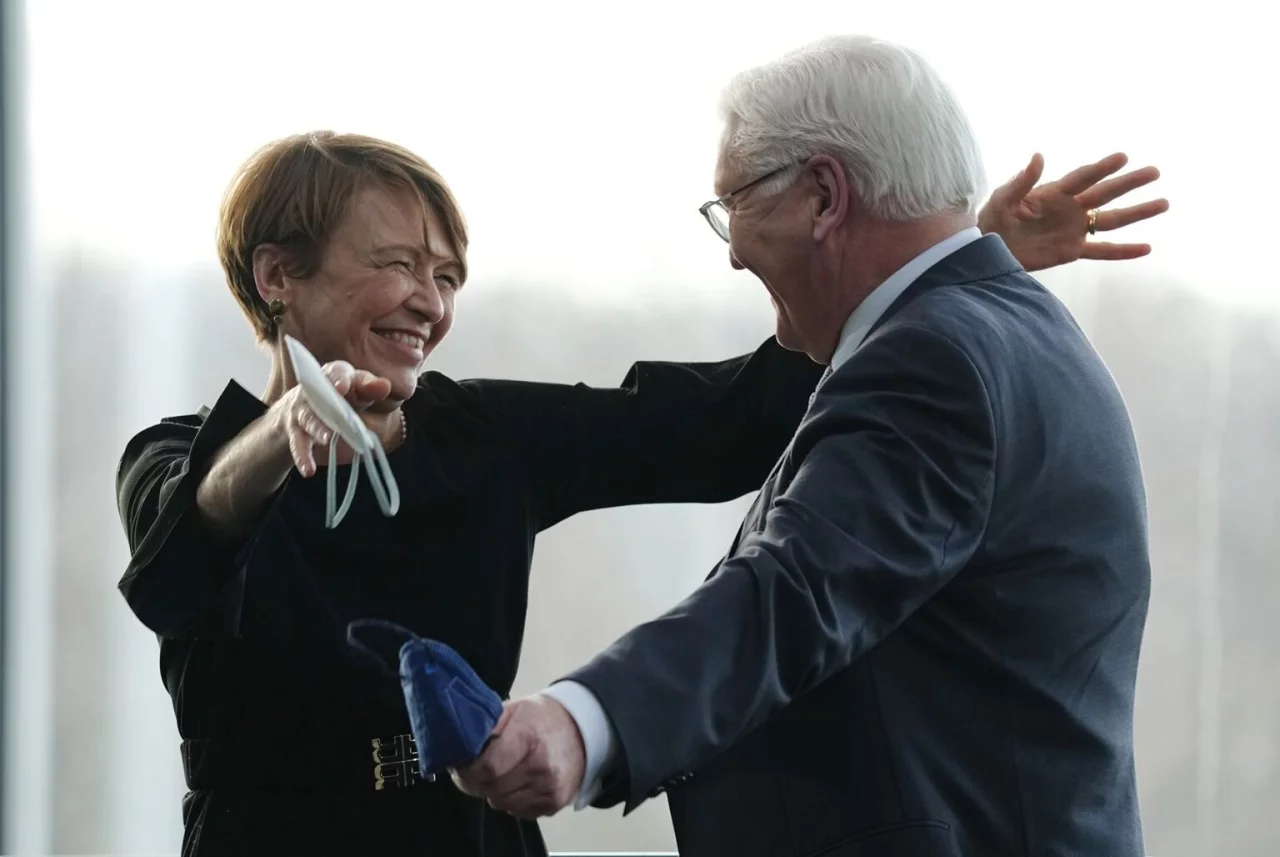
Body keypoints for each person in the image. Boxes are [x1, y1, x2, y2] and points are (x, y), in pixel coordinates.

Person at [117, 122, 1162, 856]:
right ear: (276, 277)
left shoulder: (477, 436)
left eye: (446, 277)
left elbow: (723, 423)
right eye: (399, 264)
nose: (429, 303)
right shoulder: (175, 456)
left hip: (468, 835)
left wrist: (945, 263)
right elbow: (182, 552)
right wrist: (283, 434)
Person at [453, 35, 1165, 857]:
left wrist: (585, 722)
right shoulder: (1007, 331)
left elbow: (797, 591)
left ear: (824, 196)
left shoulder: (934, 356)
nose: (731, 251)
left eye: (735, 201)